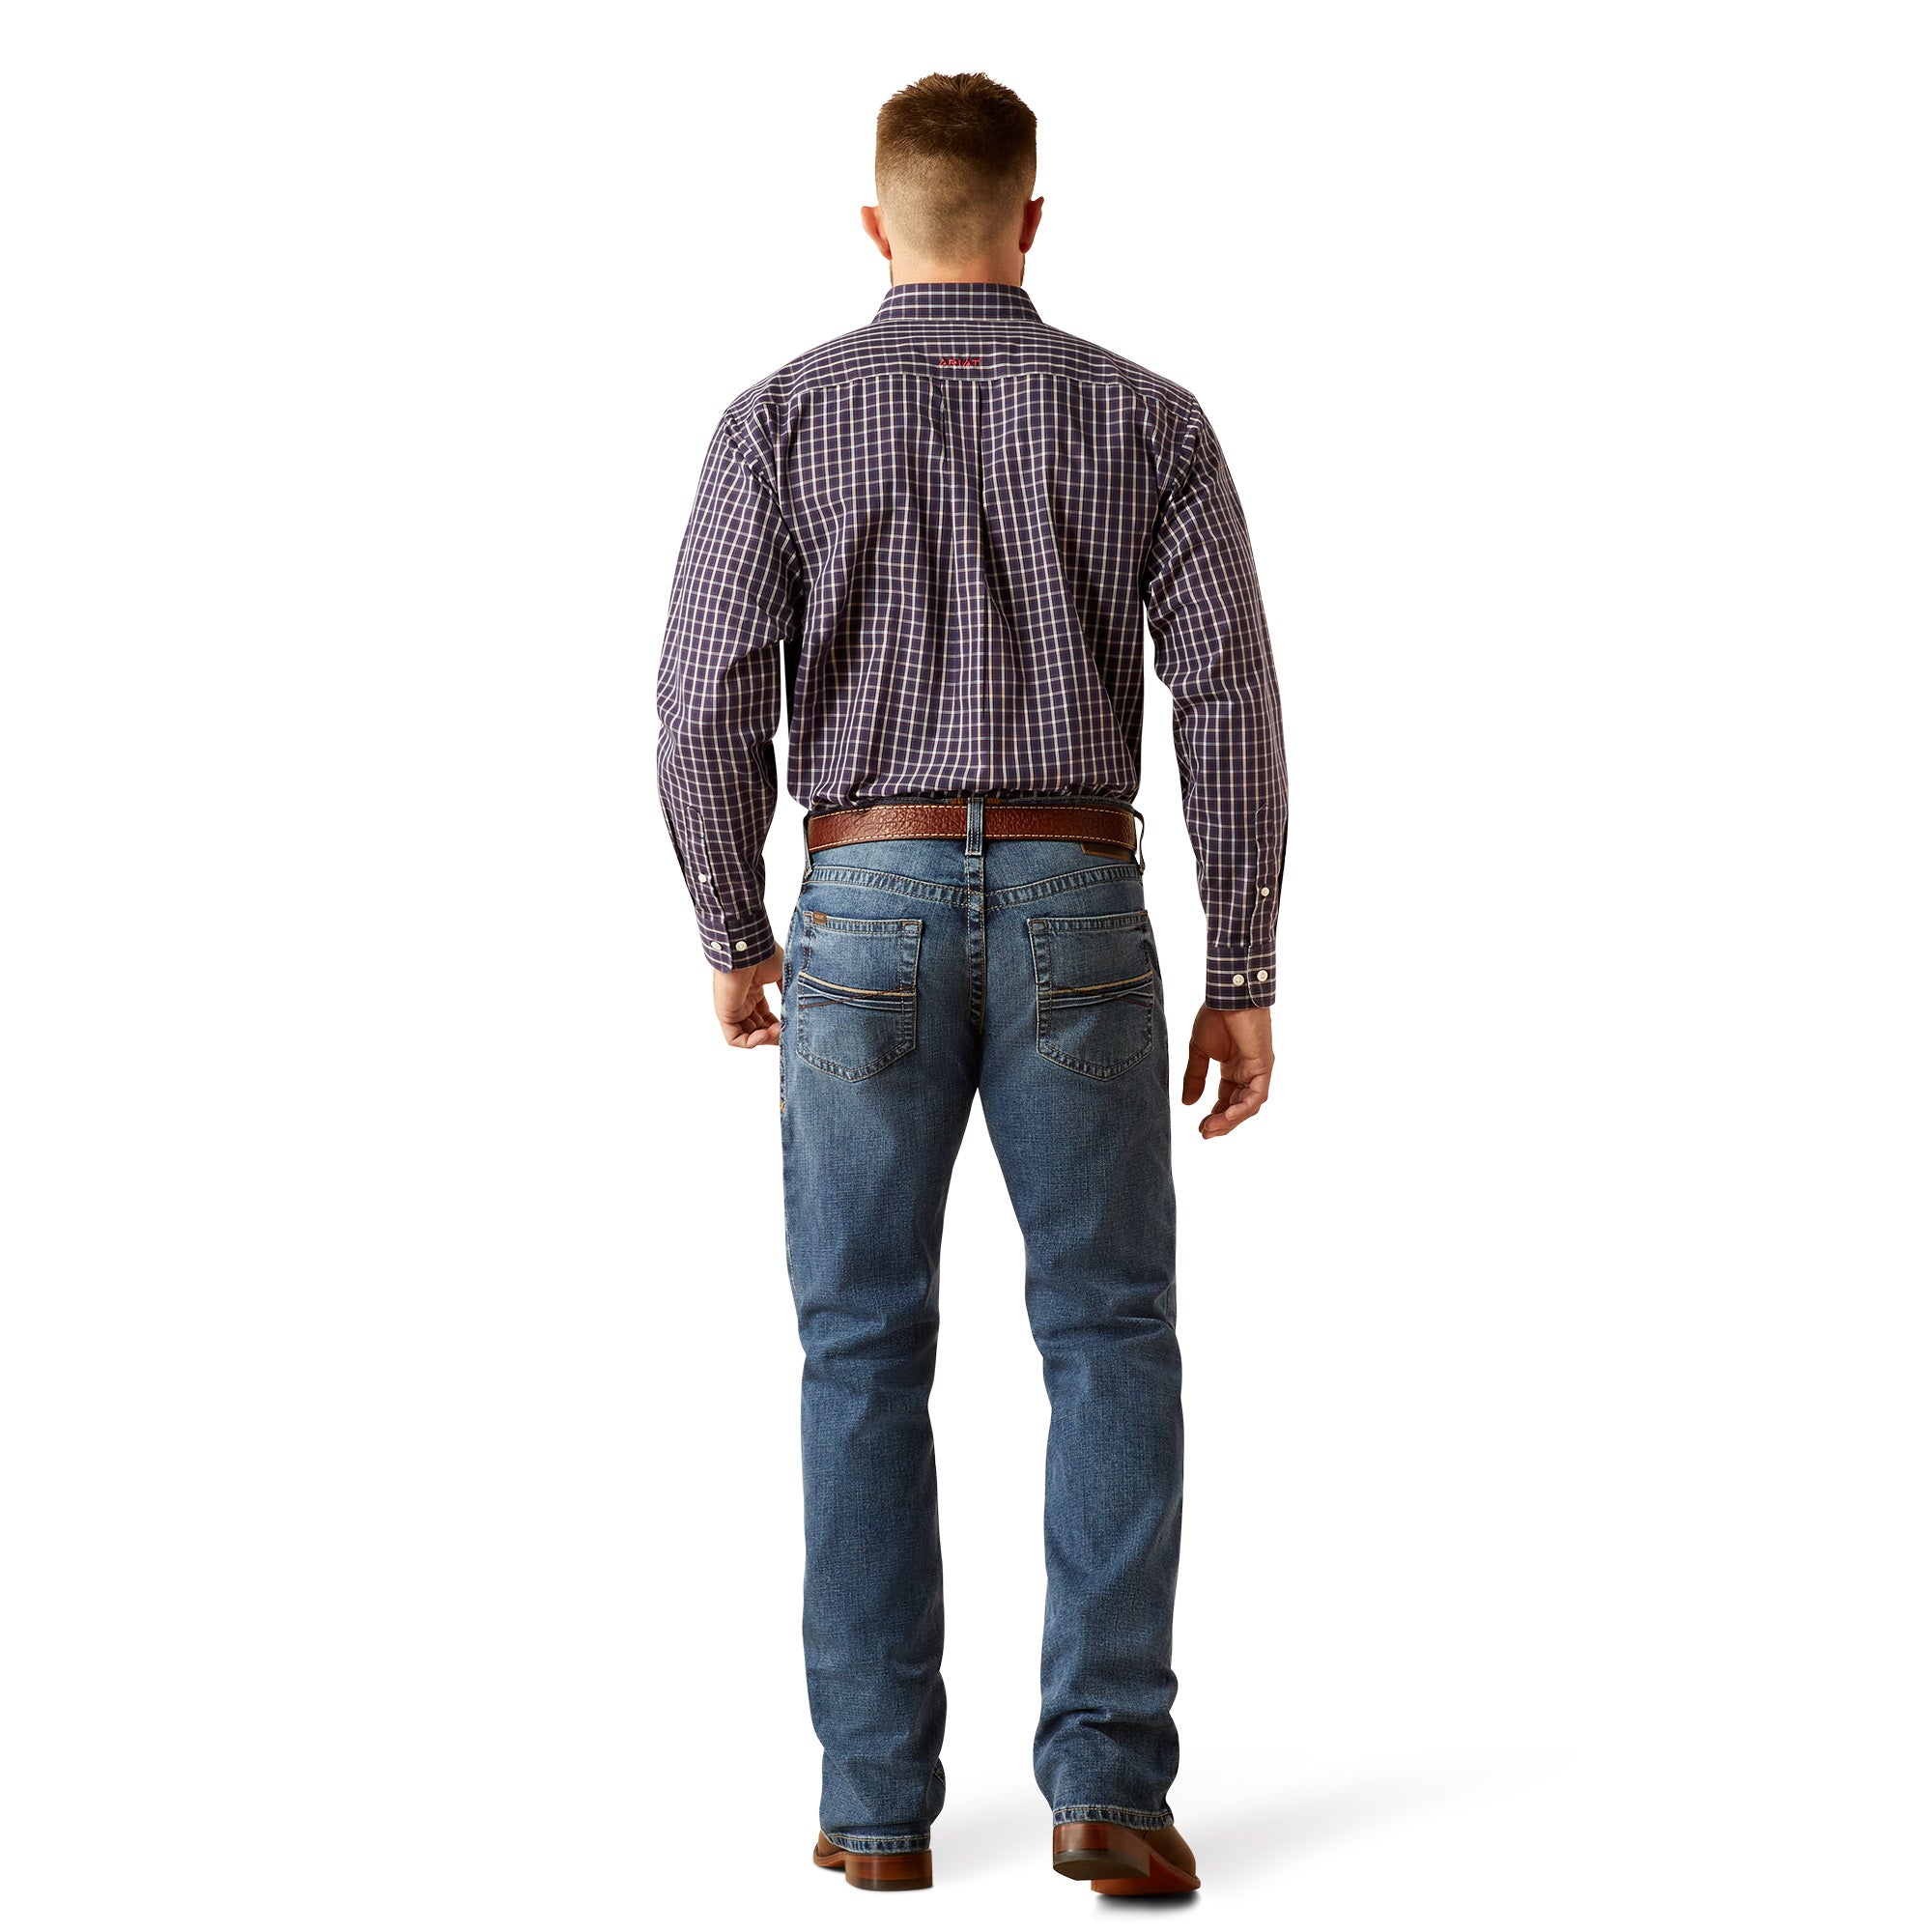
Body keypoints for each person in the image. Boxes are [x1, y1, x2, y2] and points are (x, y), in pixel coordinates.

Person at [656, 71, 1286, 1896]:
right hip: (1084, 904)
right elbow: (1228, 701)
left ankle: (876, 1810)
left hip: (861, 909)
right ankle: (1112, 1788)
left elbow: (702, 704)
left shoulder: (777, 419)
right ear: (1032, 218)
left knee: (859, 1346)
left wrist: (733, 930)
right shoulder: (1148, 418)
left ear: (878, 223)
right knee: (1109, 1334)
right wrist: (1243, 960)